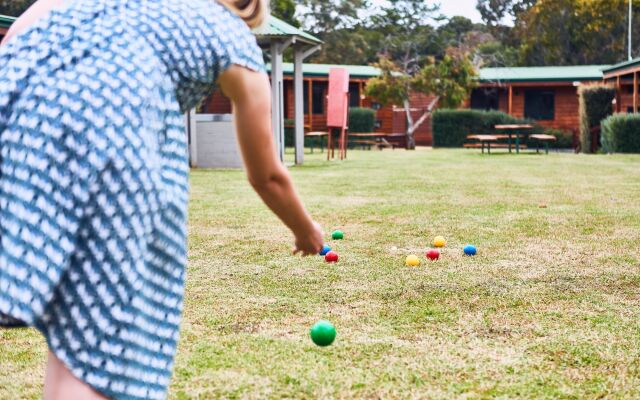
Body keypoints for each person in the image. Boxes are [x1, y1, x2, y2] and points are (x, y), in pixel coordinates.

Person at [0, 0, 324, 398]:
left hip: (15, 99)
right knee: (103, 332)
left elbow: (21, 32)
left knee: (74, 305)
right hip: (109, 130)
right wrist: (306, 231)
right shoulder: (233, 38)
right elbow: (267, 175)